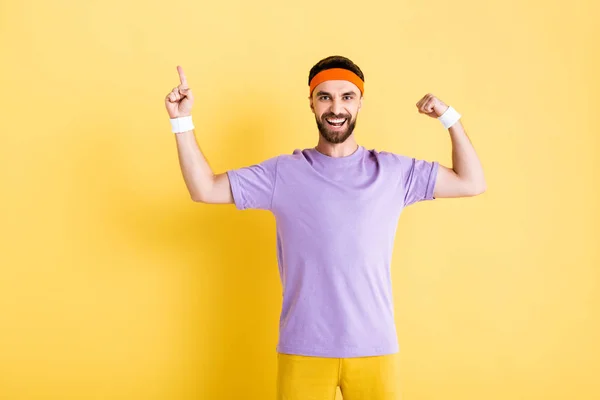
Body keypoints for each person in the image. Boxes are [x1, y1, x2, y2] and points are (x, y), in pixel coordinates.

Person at [165, 55, 486, 400]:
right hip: (303, 349)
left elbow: (471, 182)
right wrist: (182, 122)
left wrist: (449, 118)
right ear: (312, 104)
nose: (336, 107)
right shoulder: (283, 173)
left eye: (347, 96)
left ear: (361, 102)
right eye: (325, 97)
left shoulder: (393, 172)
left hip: (374, 348)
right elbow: (205, 189)